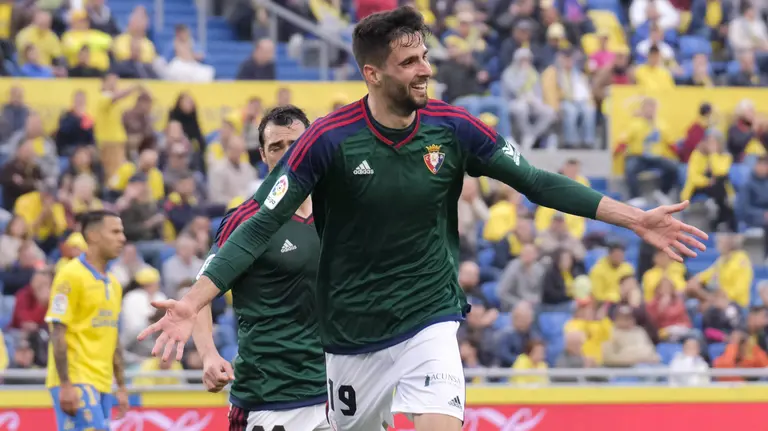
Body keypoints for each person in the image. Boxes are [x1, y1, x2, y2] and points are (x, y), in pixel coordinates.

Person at [140, 7, 707, 431]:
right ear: (372, 73)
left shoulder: (453, 127)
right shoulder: (328, 140)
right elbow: (258, 225)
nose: (425, 70)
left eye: (425, 57)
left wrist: (634, 218)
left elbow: (536, 181)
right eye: (409, 61)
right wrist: (192, 302)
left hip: (428, 319)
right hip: (350, 339)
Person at [191, 106, 329, 431]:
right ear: (264, 156)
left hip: (337, 392)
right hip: (271, 397)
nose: (286, 154)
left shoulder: (339, 212)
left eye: (294, 144)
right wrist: (209, 355)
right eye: (275, 147)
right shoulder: (246, 218)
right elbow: (198, 296)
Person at [45, 210, 128, 431]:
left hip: (102, 382)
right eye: (115, 231)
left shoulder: (113, 283)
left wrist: (120, 386)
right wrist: (65, 384)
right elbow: (57, 331)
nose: (123, 238)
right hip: (76, 380)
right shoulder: (70, 275)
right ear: (93, 236)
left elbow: (113, 337)